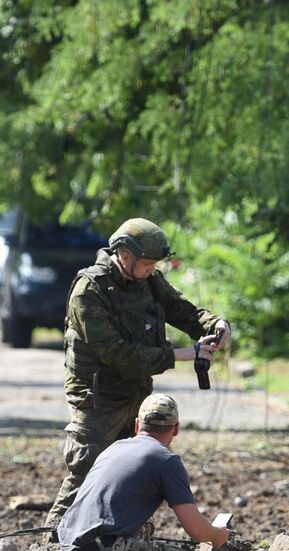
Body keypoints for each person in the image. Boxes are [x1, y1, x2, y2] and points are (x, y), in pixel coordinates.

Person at [48, 217, 232, 521]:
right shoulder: (89, 291)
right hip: (98, 401)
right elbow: (118, 354)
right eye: (147, 263)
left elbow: (181, 309)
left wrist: (214, 324)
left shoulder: (149, 281)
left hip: (135, 395)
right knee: (85, 476)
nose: (152, 270)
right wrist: (185, 354)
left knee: (128, 477)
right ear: (124, 256)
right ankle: (46, 550)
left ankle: (115, 543)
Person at [56, 394, 228, 551]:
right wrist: (217, 535)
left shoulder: (114, 448)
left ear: (137, 425)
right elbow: (195, 530)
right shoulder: (167, 460)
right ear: (175, 429)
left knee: (145, 528)